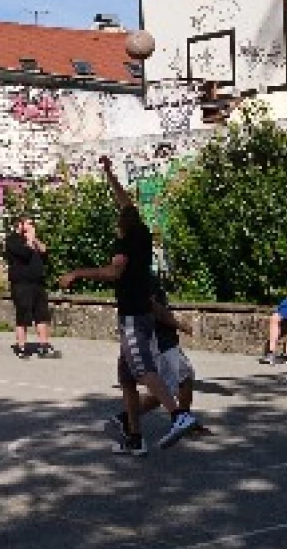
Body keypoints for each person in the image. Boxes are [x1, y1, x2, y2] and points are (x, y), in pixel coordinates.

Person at [58, 159, 198, 454]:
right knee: (126, 378)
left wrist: (77, 273)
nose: (116, 221)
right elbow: (125, 200)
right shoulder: (143, 233)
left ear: (122, 225)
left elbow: (113, 273)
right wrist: (109, 174)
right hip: (140, 315)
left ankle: (178, 415)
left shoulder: (124, 243)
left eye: (117, 220)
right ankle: (135, 438)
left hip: (134, 316)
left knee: (143, 370)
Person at [110, 273, 203, 445]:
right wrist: (180, 325)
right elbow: (153, 307)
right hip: (159, 340)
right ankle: (182, 419)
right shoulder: (142, 276)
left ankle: (129, 420)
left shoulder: (143, 274)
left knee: (170, 384)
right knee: (181, 378)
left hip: (161, 338)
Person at [3, 216, 59, 358]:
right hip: (21, 284)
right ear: (20, 225)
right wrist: (29, 240)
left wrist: (34, 239)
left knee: (42, 315)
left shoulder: (32, 240)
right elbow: (24, 254)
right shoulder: (12, 240)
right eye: (29, 223)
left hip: (38, 283)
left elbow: (45, 253)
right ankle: (21, 347)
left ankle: (44, 346)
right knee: (23, 315)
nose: (32, 226)